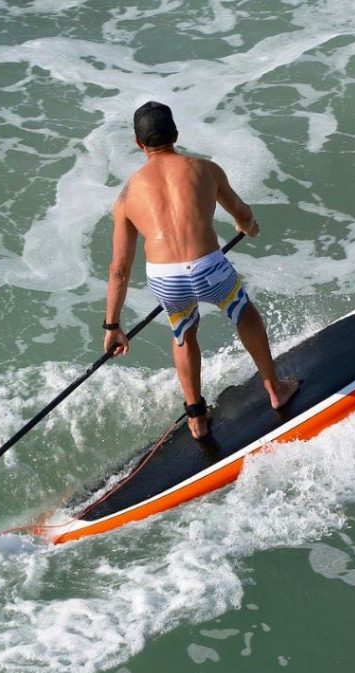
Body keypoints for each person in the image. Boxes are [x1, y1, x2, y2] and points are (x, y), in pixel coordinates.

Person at [103, 101, 298, 440]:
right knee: (243, 312)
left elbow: (119, 269)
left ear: (138, 144)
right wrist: (247, 225)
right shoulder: (205, 169)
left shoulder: (127, 195)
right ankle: (275, 388)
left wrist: (113, 325)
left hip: (166, 279)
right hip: (209, 268)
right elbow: (242, 213)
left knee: (183, 333)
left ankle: (196, 418)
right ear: (176, 135)